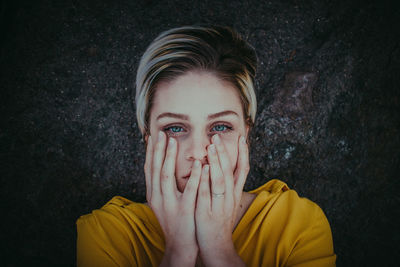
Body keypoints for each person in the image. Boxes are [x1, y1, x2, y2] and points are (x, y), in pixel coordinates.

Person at [76, 25, 336, 267]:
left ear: (244, 134)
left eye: (220, 127)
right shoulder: (108, 236)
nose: (199, 153)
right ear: (148, 138)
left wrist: (219, 250)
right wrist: (178, 252)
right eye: (174, 128)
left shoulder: (297, 226)